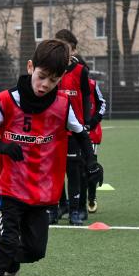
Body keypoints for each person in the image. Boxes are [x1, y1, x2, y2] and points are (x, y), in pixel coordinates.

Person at [0, 40, 103, 276]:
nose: (44, 85)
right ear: (30, 68)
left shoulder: (62, 106)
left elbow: (80, 134)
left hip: (42, 191)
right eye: (41, 77)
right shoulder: (8, 100)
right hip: (9, 187)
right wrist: (2, 147)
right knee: (5, 245)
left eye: (53, 81)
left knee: (36, 250)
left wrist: (92, 164)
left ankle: (9, 266)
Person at [52, 29, 92, 226]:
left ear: (73, 50)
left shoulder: (81, 71)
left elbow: (86, 96)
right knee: (55, 169)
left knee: (74, 170)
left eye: (66, 47)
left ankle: (76, 210)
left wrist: (86, 121)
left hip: (74, 130)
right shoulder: (51, 70)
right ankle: (60, 206)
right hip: (54, 130)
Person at [86, 78, 107, 213]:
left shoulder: (92, 84)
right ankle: (67, 202)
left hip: (91, 133)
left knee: (90, 166)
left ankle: (92, 197)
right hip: (70, 133)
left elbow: (102, 104)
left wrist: (92, 123)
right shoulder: (61, 82)